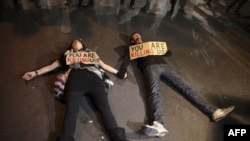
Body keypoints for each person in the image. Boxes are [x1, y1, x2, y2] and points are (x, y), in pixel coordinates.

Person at [116, 32, 235, 137]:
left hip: (165, 66)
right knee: (154, 92)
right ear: (132, 40)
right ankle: (158, 124)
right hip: (149, 67)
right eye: (134, 36)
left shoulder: (150, 45)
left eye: (138, 35)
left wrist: (166, 52)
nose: (137, 36)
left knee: (186, 87)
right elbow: (126, 60)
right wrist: (122, 70)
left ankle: (213, 112)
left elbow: (166, 53)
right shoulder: (133, 49)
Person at [22, 39, 128, 141]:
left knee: (105, 107)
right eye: (73, 43)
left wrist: (119, 72)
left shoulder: (91, 53)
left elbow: (103, 65)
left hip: (94, 80)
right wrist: (35, 73)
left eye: (78, 41)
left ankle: (120, 139)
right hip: (76, 80)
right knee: (71, 111)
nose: (75, 42)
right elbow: (51, 66)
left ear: (83, 45)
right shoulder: (68, 55)